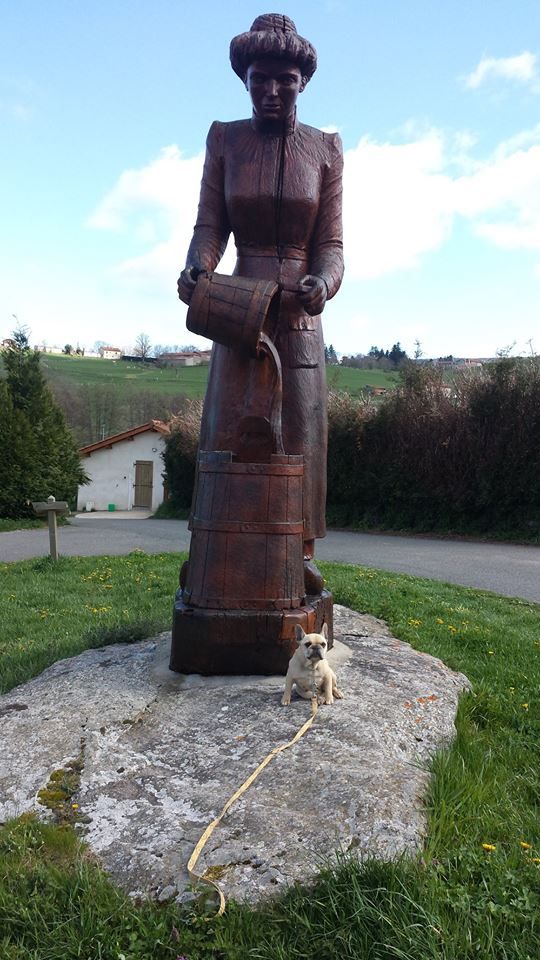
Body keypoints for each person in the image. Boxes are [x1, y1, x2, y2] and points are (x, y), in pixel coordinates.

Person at [177, 13, 344, 593]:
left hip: (299, 314)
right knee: (228, 426)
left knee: (300, 431)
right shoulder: (225, 138)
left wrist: (323, 282)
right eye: (258, 80)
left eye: (283, 80)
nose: (270, 91)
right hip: (239, 305)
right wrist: (199, 269)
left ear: (302, 82)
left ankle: (298, 552)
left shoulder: (324, 149)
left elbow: (332, 245)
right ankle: (214, 546)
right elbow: (209, 225)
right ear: (244, 80)